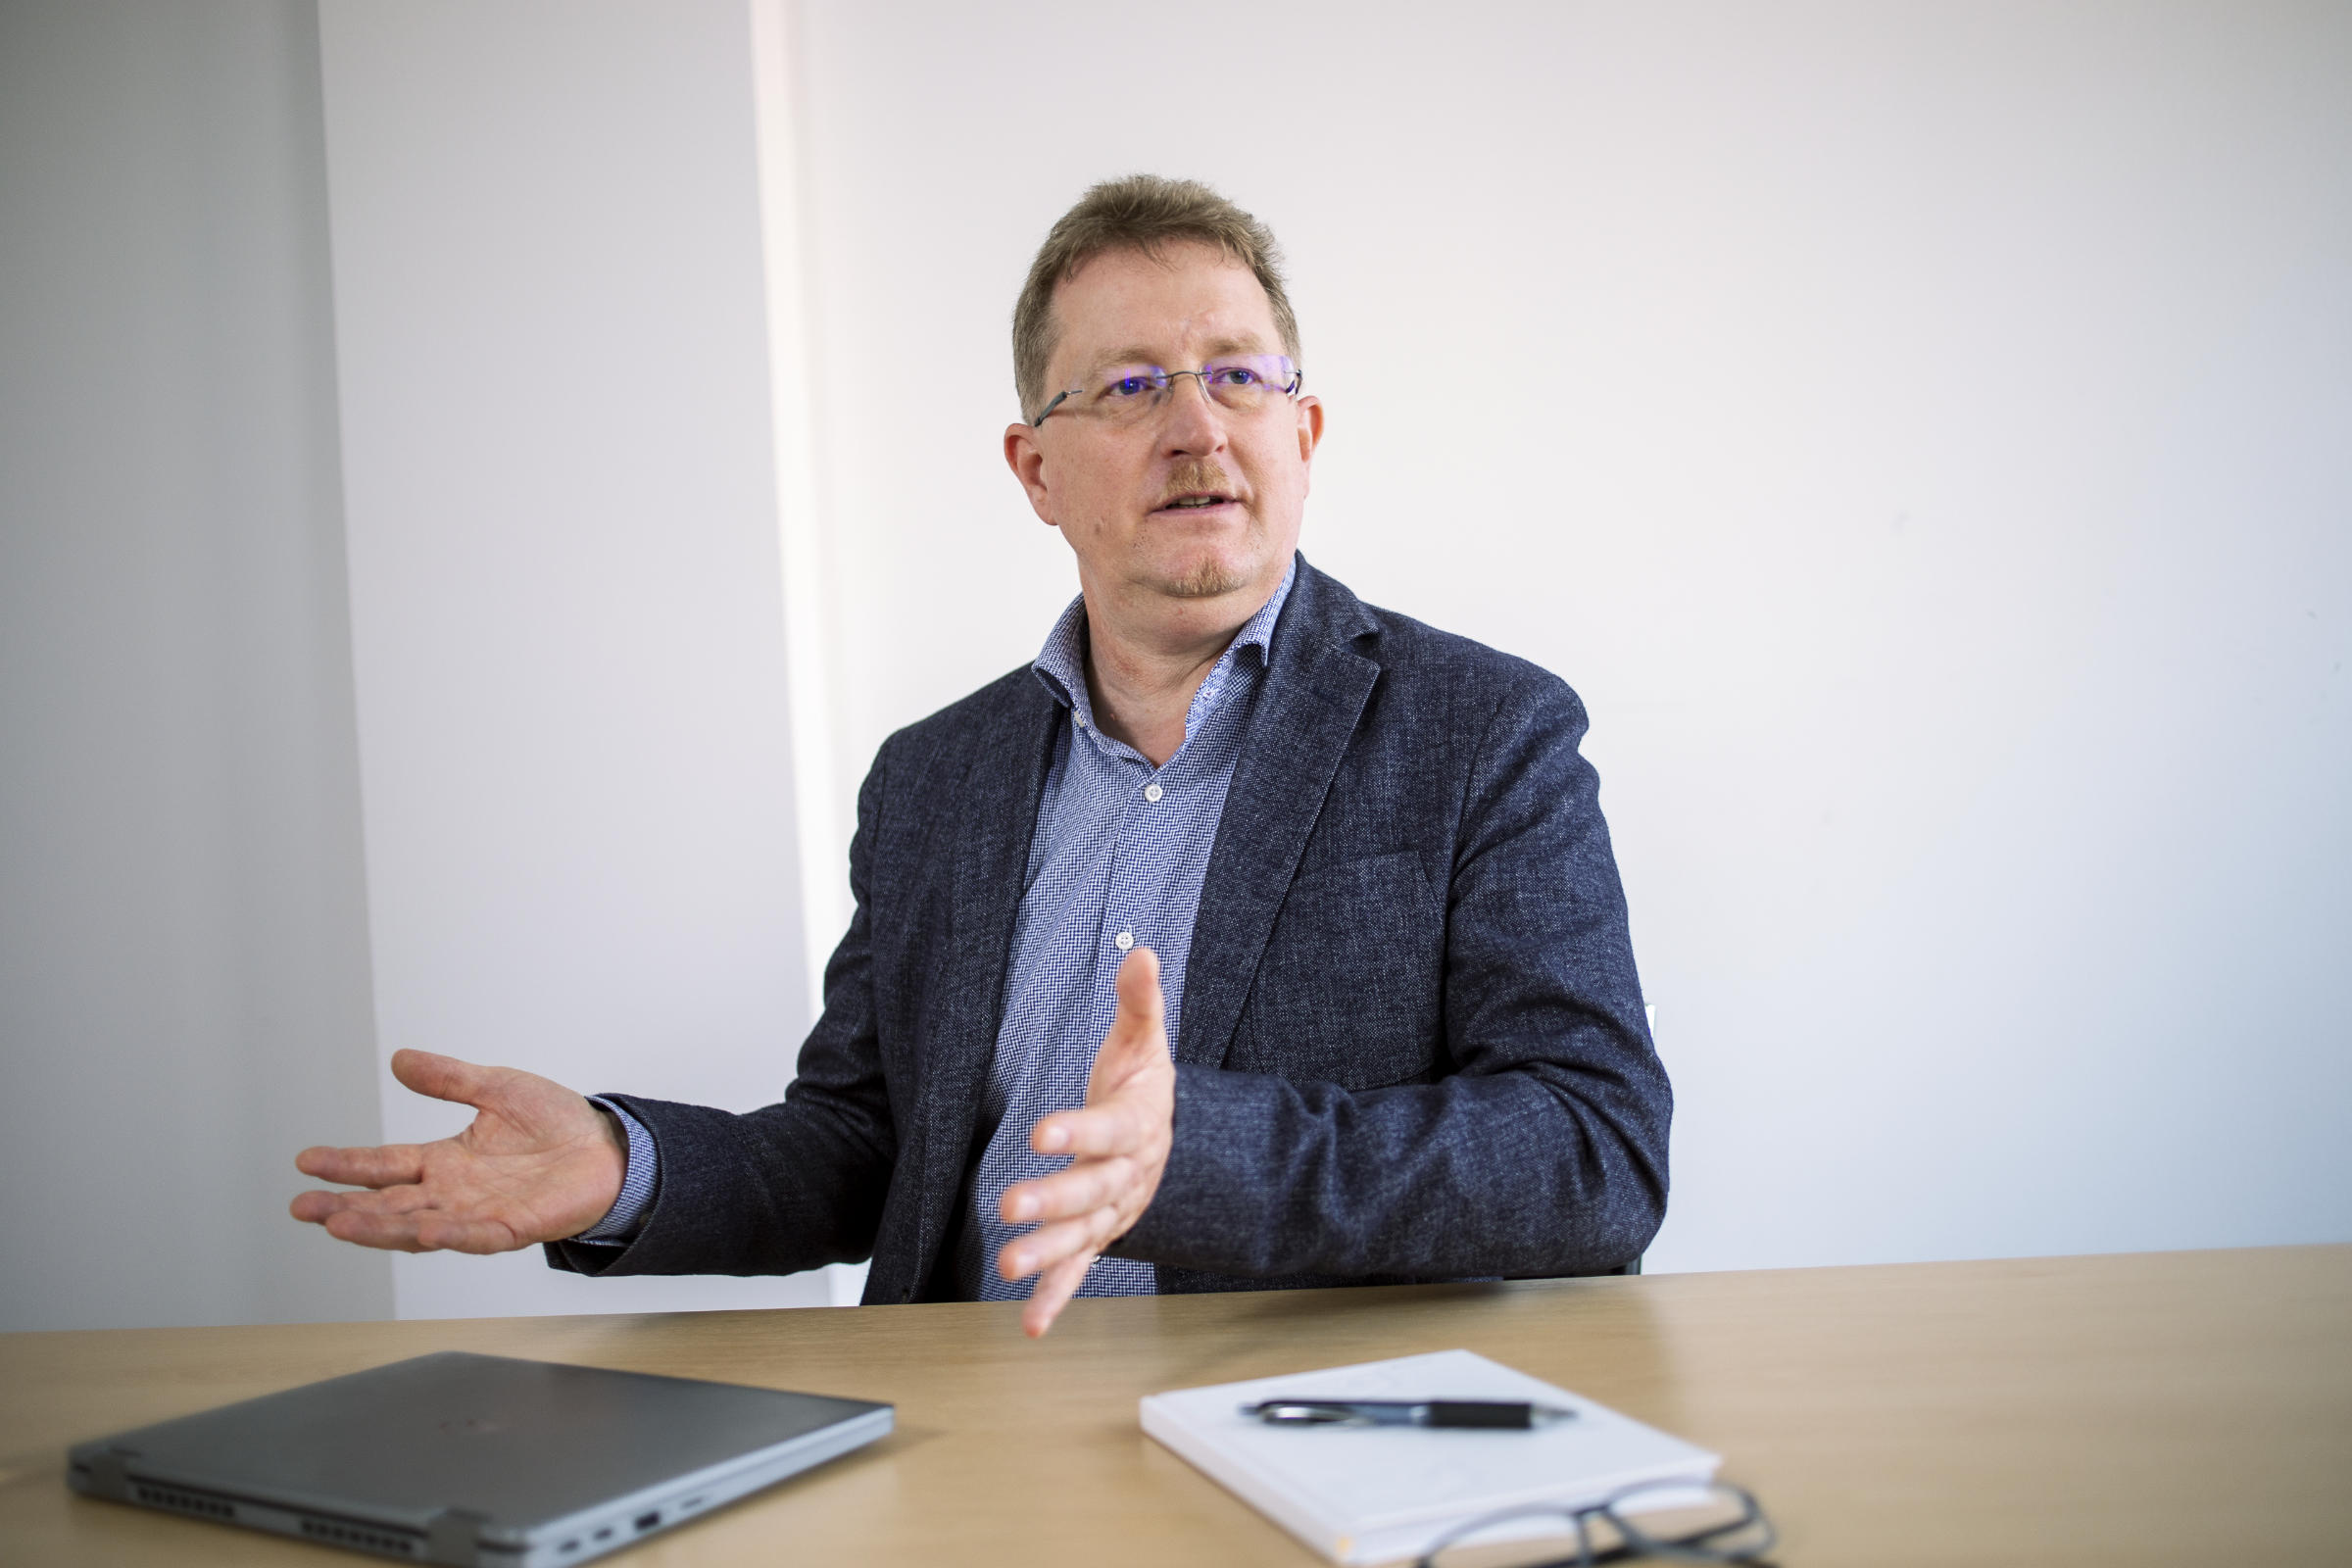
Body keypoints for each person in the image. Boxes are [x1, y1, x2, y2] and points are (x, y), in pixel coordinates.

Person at [292, 175, 1671, 1338]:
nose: (1198, 426)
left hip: (1296, 1432)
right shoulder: (932, 781)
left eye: (1240, 375)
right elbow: (862, 1153)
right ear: (1035, 471)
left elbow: (1595, 1154)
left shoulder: (1484, 732)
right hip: (961, 1435)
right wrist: (627, 1169)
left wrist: (1198, 1153)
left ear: (1302, 434)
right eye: (1130, 386)